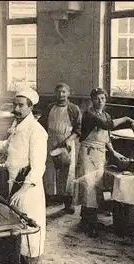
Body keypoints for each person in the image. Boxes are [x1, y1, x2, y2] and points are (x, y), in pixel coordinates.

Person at [0, 87, 48, 264]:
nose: (16, 108)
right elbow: (8, 145)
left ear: (31, 107)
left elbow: (38, 166)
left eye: (20, 105)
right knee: (16, 226)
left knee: (30, 228)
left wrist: (23, 191)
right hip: (13, 182)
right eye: (14, 104)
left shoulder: (37, 131)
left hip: (27, 187)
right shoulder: (18, 124)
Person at [74, 88, 134, 237]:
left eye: (103, 98)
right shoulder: (89, 114)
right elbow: (108, 126)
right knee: (88, 185)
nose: (100, 101)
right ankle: (89, 221)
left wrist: (114, 153)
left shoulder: (105, 115)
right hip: (88, 152)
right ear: (92, 100)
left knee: (96, 186)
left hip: (100, 154)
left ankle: (86, 218)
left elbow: (107, 138)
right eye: (97, 98)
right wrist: (126, 118)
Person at [38, 83, 81, 213]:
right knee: (49, 171)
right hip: (50, 141)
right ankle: (48, 199)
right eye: (58, 92)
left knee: (67, 173)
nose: (61, 95)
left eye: (63, 92)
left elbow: (79, 128)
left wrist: (68, 140)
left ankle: (68, 203)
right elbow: (41, 124)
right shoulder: (50, 107)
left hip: (66, 142)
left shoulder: (73, 109)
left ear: (68, 93)